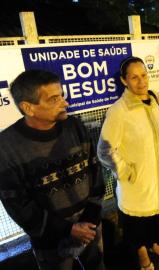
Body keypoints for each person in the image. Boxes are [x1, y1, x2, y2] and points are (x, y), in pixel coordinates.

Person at [0, 70, 105, 270]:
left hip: (90, 225)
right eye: (54, 99)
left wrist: (90, 218)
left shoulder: (74, 125)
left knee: (96, 265)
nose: (65, 103)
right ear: (28, 108)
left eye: (62, 95)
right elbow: (18, 205)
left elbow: (96, 171)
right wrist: (68, 229)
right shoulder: (6, 147)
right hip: (49, 239)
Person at [97, 57, 159, 270]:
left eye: (143, 75)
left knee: (158, 219)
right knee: (136, 226)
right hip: (136, 184)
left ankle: (153, 244)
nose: (141, 81)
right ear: (124, 81)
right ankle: (141, 252)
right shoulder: (119, 110)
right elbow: (104, 150)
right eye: (134, 77)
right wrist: (127, 172)